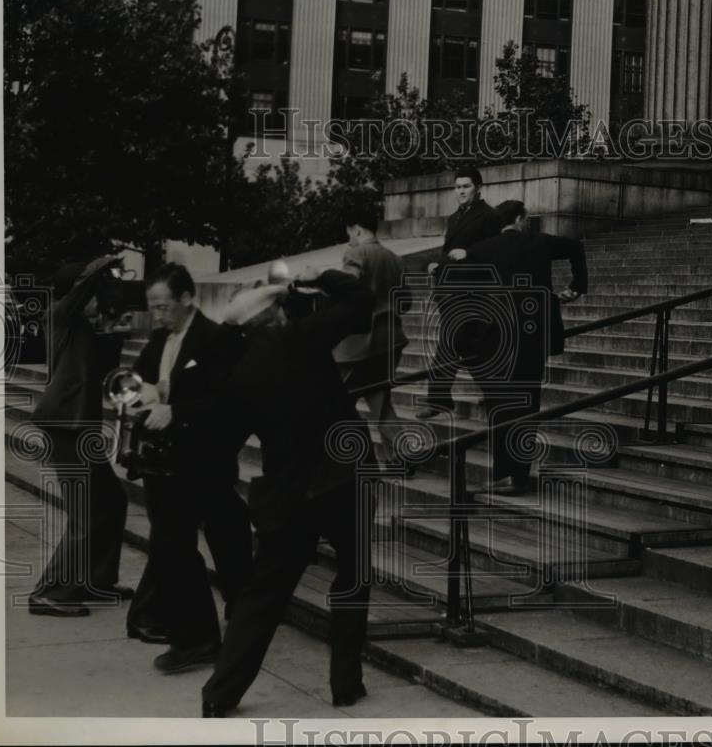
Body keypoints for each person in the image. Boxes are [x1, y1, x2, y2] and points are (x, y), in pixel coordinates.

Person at [200, 269, 375, 717]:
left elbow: (222, 436)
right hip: (342, 477)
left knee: (265, 595)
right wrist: (321, 277)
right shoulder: (301, 337)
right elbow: (360, 301)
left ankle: (222, 691)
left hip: (288, 491)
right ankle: (346, 683)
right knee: (353, 577)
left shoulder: (239, 373)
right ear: (277, 312)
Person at [126, 263, 253, 672]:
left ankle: (210, 631)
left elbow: (229, 402)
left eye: (163, 307)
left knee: (200, 539)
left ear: (185, 298)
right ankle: (195, 630)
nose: (158, 316)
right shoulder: (161, 339)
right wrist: (134, 394)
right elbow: (138, 378)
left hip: (202, 457)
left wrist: (175, 411)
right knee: (176, 543)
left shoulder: (216, 340)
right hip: (165, 460)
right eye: (153, 308)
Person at [454, 200, 588, 495]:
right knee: (528, 401)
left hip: (496, 338)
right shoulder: (540, 242)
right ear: (519, 218)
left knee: (500, 405)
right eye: (527, 218)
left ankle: (505, 473)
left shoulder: (482, 250)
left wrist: (465, 343)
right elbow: (576, 248)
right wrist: (577, 286)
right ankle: (519, 475)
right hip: (533, 335)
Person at [27, 256, 129, 617]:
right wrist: (102, 266)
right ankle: (51, 593)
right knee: (85, 513)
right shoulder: (58, 314)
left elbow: (98, 368)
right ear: (78, 293)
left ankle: (97, 581)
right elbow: (82, 288)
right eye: (93, 293)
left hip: (79, 424)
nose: (97, 298)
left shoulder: (79, 326)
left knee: (113, 501)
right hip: (63, 423)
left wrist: (110, 324)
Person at [415, 167, 500, 419]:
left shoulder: (489, 215)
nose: (461, 191)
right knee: (470, 350)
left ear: (478, 187)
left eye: (466, 186)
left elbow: (496, 250)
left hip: (473, 294)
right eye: (457, 187)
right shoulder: (455, 218)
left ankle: (439, 399)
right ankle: (495, 395)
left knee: (449, 343)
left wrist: (470, 254)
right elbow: (451, 250)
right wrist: (438, 265)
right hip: (451, 292)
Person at [333, 209, 411, 466]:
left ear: (356, 229)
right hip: (389, 340)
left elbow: (347, 293)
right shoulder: (395, 259)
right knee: (381, 403)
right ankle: (401, 456)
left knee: (333, 399)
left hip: (357, 345)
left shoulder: (355, 254)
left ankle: (344, 458)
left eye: (349, 234)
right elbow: (406, 302)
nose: (348, 240)